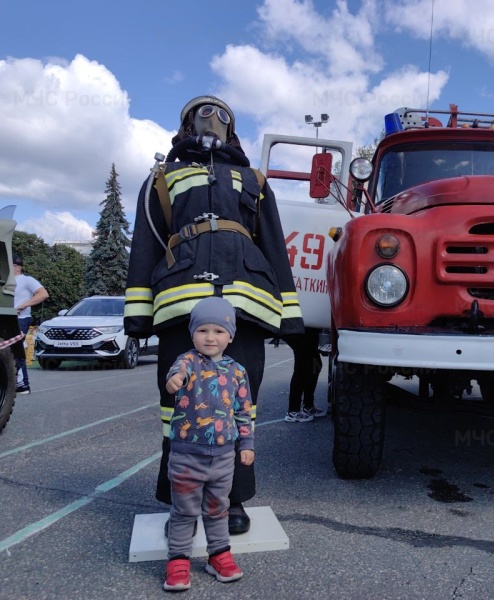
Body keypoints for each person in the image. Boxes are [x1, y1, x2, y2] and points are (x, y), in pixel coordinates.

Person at [124, 95, 303, 535]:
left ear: (232, 127)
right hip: (181, 303)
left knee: (239, 403)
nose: (213, 119)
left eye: (222, 114)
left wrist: (290, 315)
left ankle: (232, 499)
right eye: (203, 112)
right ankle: (180, 498)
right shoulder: (162, 178)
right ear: (186, 124)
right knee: (177, 404)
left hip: (245, 301)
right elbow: (145, 243)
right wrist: (137, 315)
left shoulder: (254, 179)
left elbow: (274, 244)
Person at [162, 297, 253, 591]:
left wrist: (247, 443)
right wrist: (175, 380)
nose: (210, 337)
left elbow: (243, 411)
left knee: (218, 509)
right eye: (202, 330)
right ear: (192, 334)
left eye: (218, 330)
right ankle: (178, 561)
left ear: (230, 335)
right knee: (184, 511)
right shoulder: (187, 361)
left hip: (224, 457)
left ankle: (219, 555)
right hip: (187, 455)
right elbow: (176, 372)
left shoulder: (237, 371)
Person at [12, 254, 49, 395]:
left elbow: (43, 294)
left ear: (18, 267)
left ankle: (22, 384)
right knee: (9, 349)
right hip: (8, 318)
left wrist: (22, 305)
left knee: (16, 348)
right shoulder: (5, 282)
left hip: (21, 319)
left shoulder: (27, 280)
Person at [284, 328, 326, 422]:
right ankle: (293, 411)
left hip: (308, 328)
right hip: (298, 328)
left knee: (315, 364)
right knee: (302, 366)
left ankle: (308, 406)